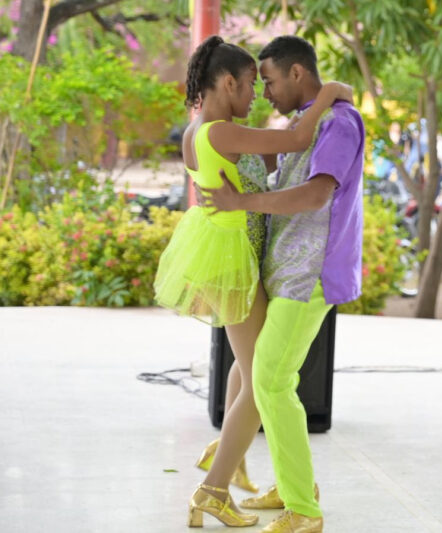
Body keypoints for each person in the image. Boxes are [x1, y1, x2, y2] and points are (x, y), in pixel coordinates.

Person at [153, 35, 348, 529]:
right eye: (251, 87)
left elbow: (269, 164)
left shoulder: (199, 130)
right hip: (229, 254)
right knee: (263, 380)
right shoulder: (221, 132)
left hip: (222, 252)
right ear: (227, 82)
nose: (257, 98)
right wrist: (329, 94)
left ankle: (229, 457)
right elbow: (298, 140)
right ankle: (213, 490)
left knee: (250, 367)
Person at [205, 35, 365, 533]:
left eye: (269, 81)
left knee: (270, 382)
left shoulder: (339, 123)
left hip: (311, 276)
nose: (265, 93)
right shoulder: (308, 121)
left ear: (298, 74)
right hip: (285, 274)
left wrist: (241, 205)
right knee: (272, 383)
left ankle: (304, 511)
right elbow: (273, 155)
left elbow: (317, 195)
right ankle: (297, 486)